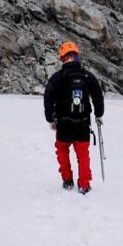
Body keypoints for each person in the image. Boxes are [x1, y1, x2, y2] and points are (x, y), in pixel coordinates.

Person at [43, 41, 104, 194]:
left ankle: (67, 180)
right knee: (83, 154)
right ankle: (84, 185)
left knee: (62, 150)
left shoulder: (57, 78)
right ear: (77, 56)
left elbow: (48, 98)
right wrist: (99, 114)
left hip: (63, 124)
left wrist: (50, 118)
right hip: (82, 124)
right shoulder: (88, 76)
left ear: (62, 58)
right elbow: (97, 95)